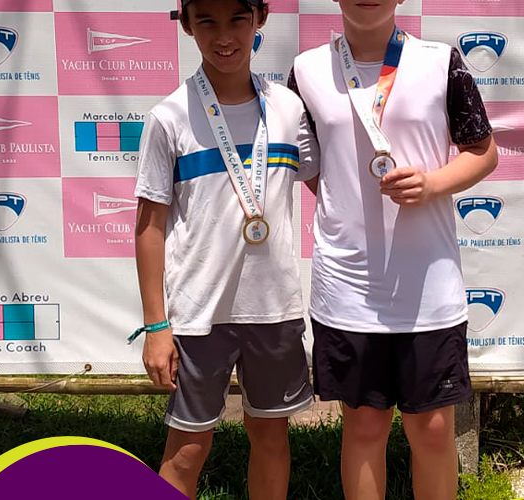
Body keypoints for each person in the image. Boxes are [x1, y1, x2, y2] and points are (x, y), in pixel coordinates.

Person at [288, 0, 498, 498]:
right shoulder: (306, 70)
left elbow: (483, 152)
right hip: (348, 287)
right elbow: (311, 168)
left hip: (428, 286)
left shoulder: (440, 62)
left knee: (434, 430)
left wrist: (431, 184)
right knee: (364, 427)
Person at [132, 0, 318, 498]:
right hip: (199, 315)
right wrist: (156, 327)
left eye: (237, 19)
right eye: (207, 22)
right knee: (187, 450)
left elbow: (330, 185)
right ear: (186, 25)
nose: (223, 36)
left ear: (261, 18)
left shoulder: (289, 107)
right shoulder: (169, 116)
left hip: (274, 309)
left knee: (271, 437)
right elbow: (149, 227)